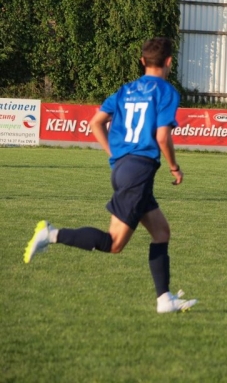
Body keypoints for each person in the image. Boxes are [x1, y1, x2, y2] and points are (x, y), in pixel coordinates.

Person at [23, 37, 197, 314]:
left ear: (142, 61)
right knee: (114, 243)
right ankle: (51, 234)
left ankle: (164, 299)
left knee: (161, 232)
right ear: (169, 62)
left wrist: (115, 156)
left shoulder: (126, 90)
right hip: (139, 173)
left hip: (124, 169)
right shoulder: (166, 91)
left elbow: (96, 122)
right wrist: (175, 167)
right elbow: (163, 136)